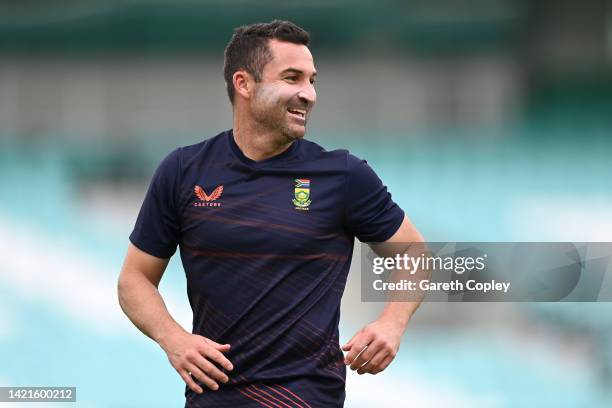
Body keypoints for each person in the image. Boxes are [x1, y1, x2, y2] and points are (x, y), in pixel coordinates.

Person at [117, 19, 425, 407]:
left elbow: (414, 253)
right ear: (244, 84)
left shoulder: (343, 175)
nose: (309, 94)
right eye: (293, 78)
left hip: (307, 398)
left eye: (312, 81)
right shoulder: (183, 171)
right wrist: (174, 339)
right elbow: (134, 279)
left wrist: (391, 324)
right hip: (213, 399)